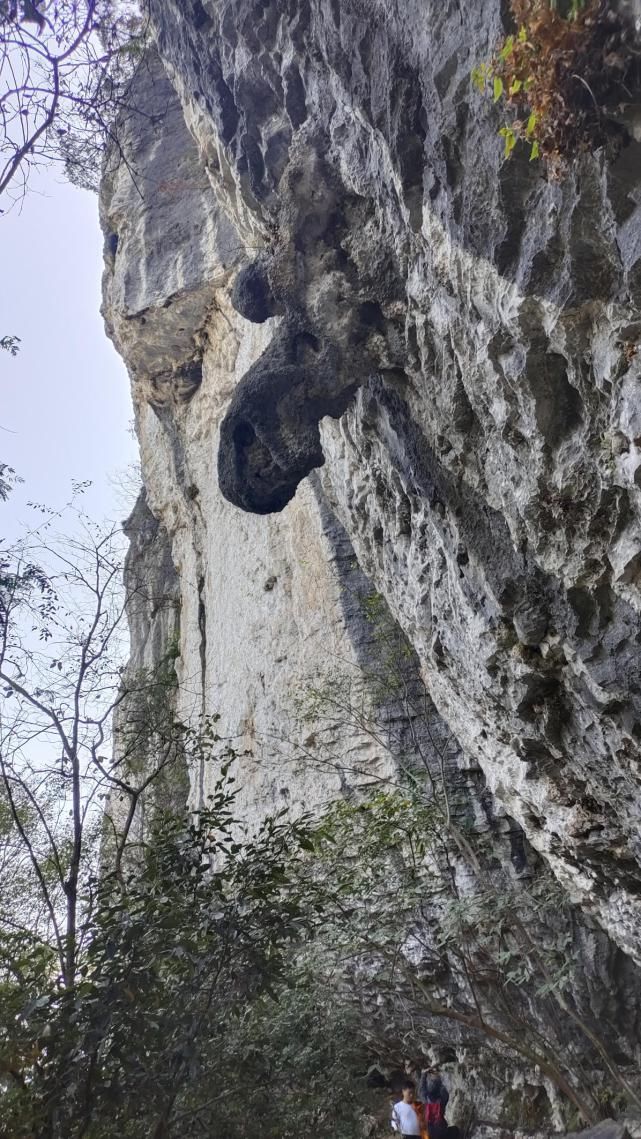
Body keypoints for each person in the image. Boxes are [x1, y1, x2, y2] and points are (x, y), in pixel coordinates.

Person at [418, 1072, 449, 1137]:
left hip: (428, 1131)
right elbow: (445, 1093)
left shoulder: (425, 1099)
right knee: (455, 1130)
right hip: (441, 1130)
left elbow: (421, 1089)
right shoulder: (442, 1100)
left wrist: (424, 1074)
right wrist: (440, 1080)